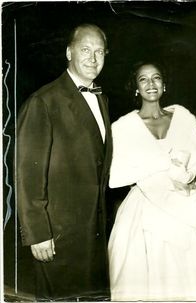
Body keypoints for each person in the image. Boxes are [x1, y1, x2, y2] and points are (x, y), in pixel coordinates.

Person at [108, 61, 196, 301]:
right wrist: (162, 165)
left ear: (164, 84)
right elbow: (116, 176)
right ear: (135, 87)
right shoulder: (123, 127)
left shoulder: (183, 116)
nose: (151, 84)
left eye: (156, 77)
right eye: (143, 79)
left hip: (185, 204)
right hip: (145, 210)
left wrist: (193, 181)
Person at [17, 24, 112, 301]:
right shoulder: (43, 101)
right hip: (58, 237)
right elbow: (27, 173)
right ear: (69, 51)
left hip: (93, 233)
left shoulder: (102, 100)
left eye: (99, 52)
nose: (93, 58)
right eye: (85, 49)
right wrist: (37, 233)